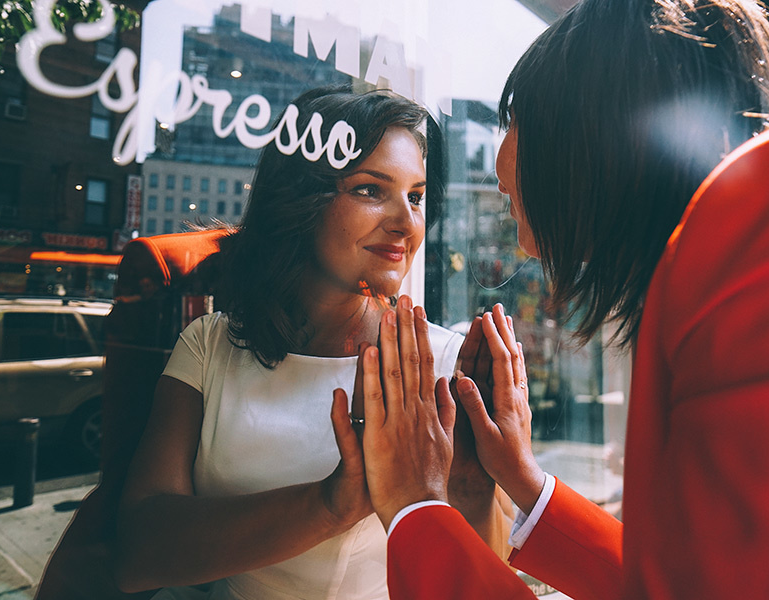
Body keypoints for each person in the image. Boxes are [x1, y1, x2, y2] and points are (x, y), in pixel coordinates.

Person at [352, 1, 769, 599]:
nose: (498, 166)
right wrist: (524, 482)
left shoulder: (753, 249)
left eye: (515, 119)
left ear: (590, 131)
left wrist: (415, 508)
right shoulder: (729, 243)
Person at [114, 85, 511, 600]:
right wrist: (330, 504)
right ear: (301, 199)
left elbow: (488, 578)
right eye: (371, 190)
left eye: (415, 197)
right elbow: (136, 557)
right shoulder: (208, 347)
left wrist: (475, 486)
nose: (406, 222)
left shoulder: (442, 368)